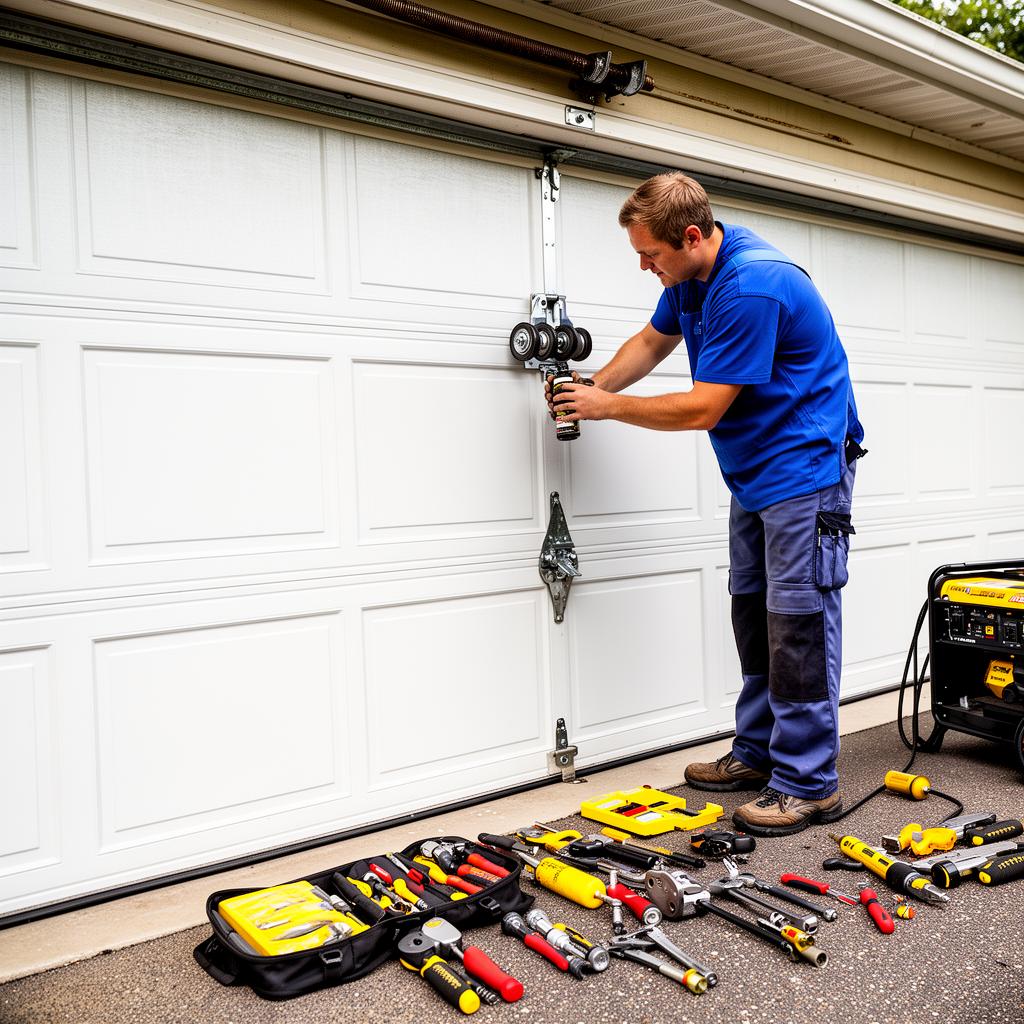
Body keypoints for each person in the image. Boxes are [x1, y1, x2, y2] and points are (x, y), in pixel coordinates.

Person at [547, 172, 865, 837]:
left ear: (691, 236)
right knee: (754, 613)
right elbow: (649, 343)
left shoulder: (752, 285)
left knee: (798, 621)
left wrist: (608, 407)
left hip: (805, 471)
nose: (643, 265)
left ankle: (809, 783)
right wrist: (589, 388)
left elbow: (703, 406)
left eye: (650, 255)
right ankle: (758, 752)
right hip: (756, 473)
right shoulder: (691, 277)